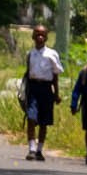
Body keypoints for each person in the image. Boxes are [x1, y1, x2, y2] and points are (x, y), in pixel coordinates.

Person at [21, 24, 62, 161]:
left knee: (44, 121)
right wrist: (24, 92)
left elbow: (55, 76)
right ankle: (31, 149)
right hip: (33, 88)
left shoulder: (52, 54)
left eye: (42, 34)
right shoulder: (30, 54)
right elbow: (28, 73)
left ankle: (39, 150)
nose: (40, 36)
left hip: (46, 89)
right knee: (31, 118)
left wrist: (56, 94)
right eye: (37, 34)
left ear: (46, 37)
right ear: (33, 36)